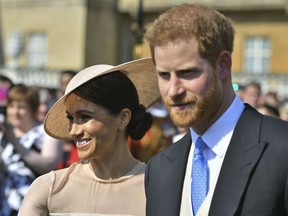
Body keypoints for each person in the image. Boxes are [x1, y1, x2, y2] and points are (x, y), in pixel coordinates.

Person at [144, 3, 288, 216]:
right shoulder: (159, 168)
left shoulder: (282, 149)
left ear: (223, 65)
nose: (173, 90)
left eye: (187, 73)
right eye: (164, 75)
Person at [18, 58, 159, 215]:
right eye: (71, 118)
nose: (73, 131)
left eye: (85, 117)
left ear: (123, 118)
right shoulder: (50, 189)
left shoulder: (157, 189)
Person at [0, 84, 62, 215]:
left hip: (34, 206)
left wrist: (16, 144)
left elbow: (49, 165)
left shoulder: (45, 133)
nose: (15, 112)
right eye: (11, 107)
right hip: (6, 205)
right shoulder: (3, 134)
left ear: (33, 109)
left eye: (21, 108)